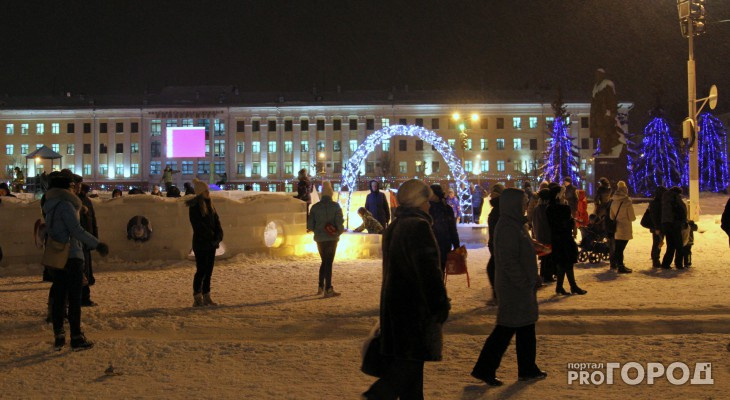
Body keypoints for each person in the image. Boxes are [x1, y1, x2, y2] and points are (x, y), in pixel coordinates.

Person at [363, 179, 450, 399]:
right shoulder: (418, 227)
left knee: (410, 375)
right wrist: (440, 305)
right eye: (426, 201)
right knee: (405, 371)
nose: (429, 206)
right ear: (418, 202)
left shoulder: (396, 226)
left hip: (396, 309)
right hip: (414, 312)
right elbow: (428, 272)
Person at [471, 188, 547, 387]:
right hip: (514, 288)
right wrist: (524, 281)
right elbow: (508, 261)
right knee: (506, 329)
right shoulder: (507, 227)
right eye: (522, 202)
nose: (525, 205)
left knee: (523, 327)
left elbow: (519, 250)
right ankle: (487, 369)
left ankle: (526, 368)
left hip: (521, 286)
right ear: (513, 203)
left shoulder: (516, 224)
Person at [43, 170, 109, 351]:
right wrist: (97, 244)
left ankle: (59, 334)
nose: (75, 189)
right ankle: (76, 336)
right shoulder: (66, 204)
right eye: (72, 186)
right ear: (67, 187)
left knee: (58, 295)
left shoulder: (49, 204)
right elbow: (76, 230)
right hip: (71, 256)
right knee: (74, 297)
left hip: (57, 255)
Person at [186, 178, 224, 306]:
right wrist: (210, 237)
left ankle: (206, 295)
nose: (208, 192)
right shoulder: (195, 207)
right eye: (206, 190)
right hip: (201, 244)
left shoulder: (210, 205)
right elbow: (198, 226)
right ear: (201, 192)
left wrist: (218, 236)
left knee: (209, 271)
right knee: (201, 270)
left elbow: (217, 222)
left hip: (211, 244)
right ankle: (197, 296)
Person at [546, 186, 587, 295]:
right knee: (567, 263)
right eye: (562, 194)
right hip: (565, 239)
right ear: (558, 196)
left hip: (556, 239)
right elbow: (566, 224)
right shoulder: (564, 208)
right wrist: (572, 223)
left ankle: (561, 287)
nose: (564, 196)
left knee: (562, 264)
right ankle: (572, 286)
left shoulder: (549, 208)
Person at [307, 181, 344, 298]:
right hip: (332, 239)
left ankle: (320, 286)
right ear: (331, 193)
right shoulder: (336, 206)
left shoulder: (315, 207)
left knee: (324, 261)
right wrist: (338, 231)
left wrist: (318, 230)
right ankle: (328, 288)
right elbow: (340, 223)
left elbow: (310, 226)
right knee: (328, 262)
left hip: (320, 239)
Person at [428, 184, 460, 276]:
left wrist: (456, 245)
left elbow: (452, 229)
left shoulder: (446, 209)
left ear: (435, 194)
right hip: (431, 246)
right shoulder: (426, 208)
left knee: (439, 272)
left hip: (443, 246)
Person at [77, 181, 99, 306]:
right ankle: (82, 297)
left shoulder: (86, 201)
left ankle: (84, 297)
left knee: (85, 269)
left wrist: (94, 238)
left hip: (86, 239)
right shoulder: (75, 202)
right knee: (82, 270)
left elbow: (92, 220)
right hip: (80, 240)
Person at [609, 181, 635, 273]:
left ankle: (617, 264)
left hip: (617, 228)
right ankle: (620, 266)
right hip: (625, 227)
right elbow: (632, 217)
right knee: (621, 248)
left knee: (618, 247)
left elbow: (611, 217)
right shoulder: (627, 201)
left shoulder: (613, 201)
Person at [486, 184, 504, 303]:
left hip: (499, 244)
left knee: (493, 269)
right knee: (494, 269)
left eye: (494, 193)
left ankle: (498, 295)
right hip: (495, 243)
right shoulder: (497, 208)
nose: (491, 196)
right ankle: (498, 294)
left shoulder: (499, 209)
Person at [661, 186, 687, 269]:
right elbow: (680, 211)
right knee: (679, 246)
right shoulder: (675, 199)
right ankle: (679, 264)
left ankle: (666, 264)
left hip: (667, 225)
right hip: (675, 225)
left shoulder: (665, 199)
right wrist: (682, 221)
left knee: (670, 246)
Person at [532, 188, 555, 283]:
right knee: (548, 256)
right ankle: (547, 275)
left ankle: (544, 275)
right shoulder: (546, 208)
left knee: (544, 257)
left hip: (539, 234)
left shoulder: (537, 208)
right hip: (547, 235)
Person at [648, 186, 667, 268]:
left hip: (655, 226)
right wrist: (657, 228)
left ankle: (655, 259)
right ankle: (655, 260)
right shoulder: (658, 203)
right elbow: (655, 216)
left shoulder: (654, 202)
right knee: (657, 243)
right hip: (658, 227)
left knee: (657, 242)